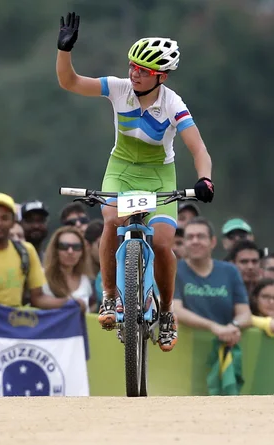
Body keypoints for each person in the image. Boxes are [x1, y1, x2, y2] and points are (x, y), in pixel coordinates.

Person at [55, 11, 215, 352]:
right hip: (122, 169)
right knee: (111, 220)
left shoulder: (173, 104)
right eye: (132, 66)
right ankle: (110, 297)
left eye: (142, 71)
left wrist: (205, 179)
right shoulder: (119, 89)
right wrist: (64, 51)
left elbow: (198, 147)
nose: (134, 74)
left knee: (162, 242)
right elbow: (70, 83)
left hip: (159, 176)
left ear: (161, 76)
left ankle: (167, 311)